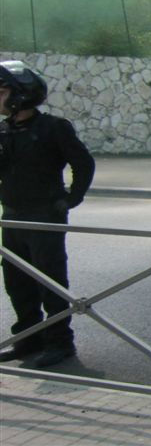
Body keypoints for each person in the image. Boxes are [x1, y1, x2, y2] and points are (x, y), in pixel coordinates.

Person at [0, 60, 95, 369]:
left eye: (0, 91)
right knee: (17, 283)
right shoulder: (5, 131)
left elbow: (83, 163)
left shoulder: (53, 127)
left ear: (21, 94)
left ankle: (59, 343)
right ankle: (29, 339)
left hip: (44, 217)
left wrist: (71, 199)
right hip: (13, 218)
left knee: (51, 283)